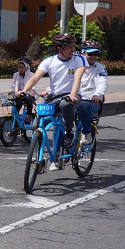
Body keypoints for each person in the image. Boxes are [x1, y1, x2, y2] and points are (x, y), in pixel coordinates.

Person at [20, 33, 87, 168]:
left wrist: (73, 94)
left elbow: (77, 78)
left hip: (71, 96)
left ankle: (69, 132)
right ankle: (40, 154)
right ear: (59, 48)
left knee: (65, 104)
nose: (73, 50)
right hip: (54, 96)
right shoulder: (49, 61)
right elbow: (34, 78)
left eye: (74, 46)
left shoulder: (78, 59)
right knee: (38, 123)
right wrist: (23, 91)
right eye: (69, 47)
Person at [77, 42, 107, 147]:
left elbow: (103, 83)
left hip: (92, 101)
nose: (93, 56)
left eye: (96, 54)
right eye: (90, 54)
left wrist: (98, 94)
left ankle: (86, 133)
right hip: (74, 99)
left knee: (84, 106)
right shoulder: (74, 65)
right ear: (82, 54)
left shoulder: (100, 68)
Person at [11, 57, 36, 124]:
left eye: (22, 68)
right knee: (16, 105)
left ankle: (29, 116)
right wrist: (11, 91)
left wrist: (31, 92)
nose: (20, 69)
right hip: (18, 94)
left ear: (26, 68)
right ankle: (15, 120)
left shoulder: (31, 75)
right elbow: (13, 85)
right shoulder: (16, 75)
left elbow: (33, 86)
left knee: (29, 100)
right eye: (19, 68)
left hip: (27, 94)